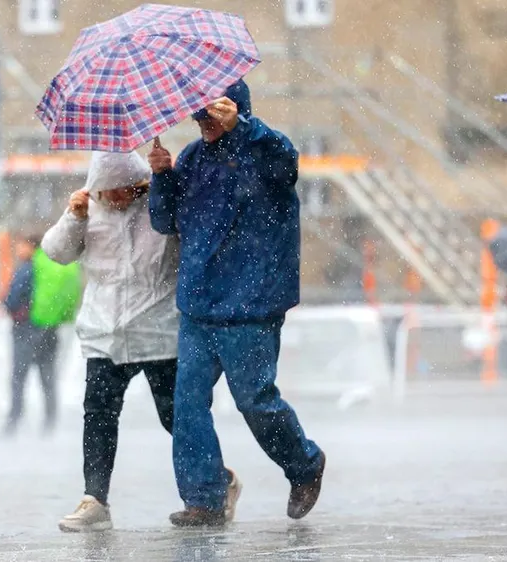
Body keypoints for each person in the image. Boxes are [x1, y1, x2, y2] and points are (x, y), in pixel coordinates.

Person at [148, 79, 326, 527]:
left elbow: (287, 163)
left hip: (251, 304)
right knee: (187, 404)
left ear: (233, 109)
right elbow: (165, 221)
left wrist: (246, 128)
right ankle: (204, 498)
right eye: (198, 115)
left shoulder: (264, 151)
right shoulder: (190, 159)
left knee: (255, 401)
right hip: (198, 306)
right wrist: (162, 176)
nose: (203, 123)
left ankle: (304, 465)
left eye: (210, 114)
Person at [42, 152, 242, 533]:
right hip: (105, 335)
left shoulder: (161, 207)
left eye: (122, 191)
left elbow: (194, 246)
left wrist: (166, 177)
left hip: (159, 332)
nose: (114, 200)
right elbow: (56, 251)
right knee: (99, 418)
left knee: (176, 419)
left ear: (138, 185)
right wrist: (74, 217)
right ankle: (95, 500)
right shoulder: (87, 210)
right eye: (107, 192)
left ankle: (219, 480)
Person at [1, 234, 81, 437]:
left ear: (31, 246)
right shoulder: (53, 265)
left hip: (26, 329)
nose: (19, 250)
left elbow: (12, 298)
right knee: (47, 377)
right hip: (50, 328)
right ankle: (50, 422)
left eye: (21, 245)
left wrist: (11, 307)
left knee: (19, 377)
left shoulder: (29, 268)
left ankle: (14, 420)